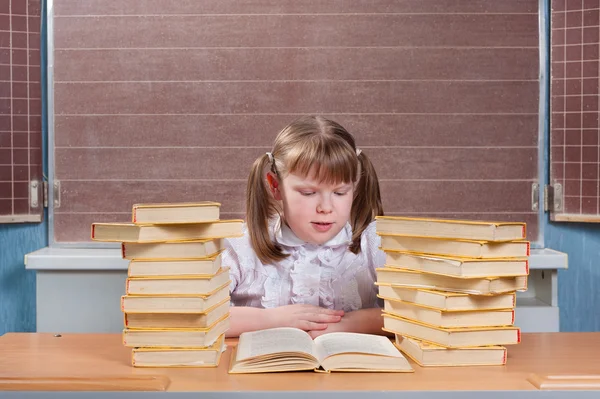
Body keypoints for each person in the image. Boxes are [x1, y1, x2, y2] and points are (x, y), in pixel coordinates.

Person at [223, 115, 386, 338]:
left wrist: (349, 323)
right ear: (275, 186)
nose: (326, 208)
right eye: (309, 193)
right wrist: (272, 319)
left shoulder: (373, 244)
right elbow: (202, 314)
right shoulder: (241, 246)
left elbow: (417, 314)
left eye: (340, 192)